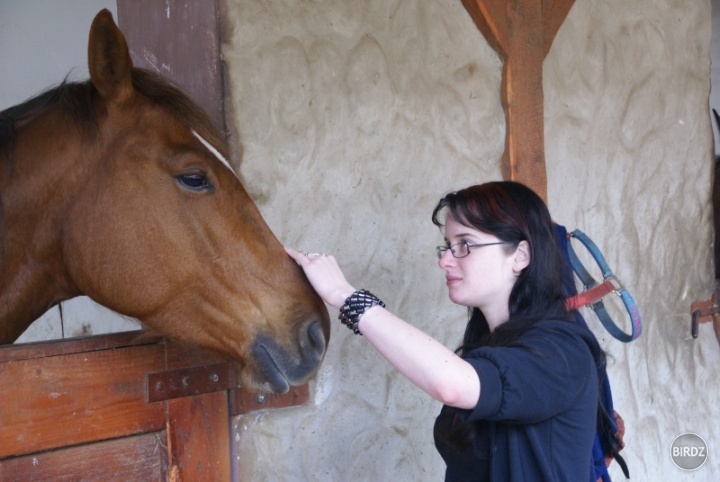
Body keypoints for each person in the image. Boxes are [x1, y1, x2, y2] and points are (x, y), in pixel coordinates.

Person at [285, 181, 605, 482]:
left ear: (520, 256)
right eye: (447, 246)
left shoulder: (562, 350)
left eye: (465, 244)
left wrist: (345, 295)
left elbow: (452, 385)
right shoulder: (490, 347)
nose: (446, 262)